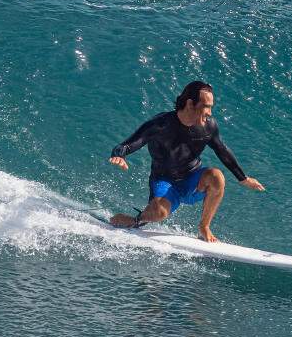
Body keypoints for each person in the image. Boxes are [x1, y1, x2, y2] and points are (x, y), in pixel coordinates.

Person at [108, 81, 265, 242]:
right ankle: (136, 221)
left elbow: (222, 150)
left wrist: (243, 178)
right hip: (164, 181)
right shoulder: (160, 125)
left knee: (216, 176)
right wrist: (120, 155)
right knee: (158, 213)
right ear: (190, 104)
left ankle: (204, 228)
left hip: (192, 181)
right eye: (207, 106)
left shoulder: (209, 127)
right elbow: (127, 144)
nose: (210, 113)